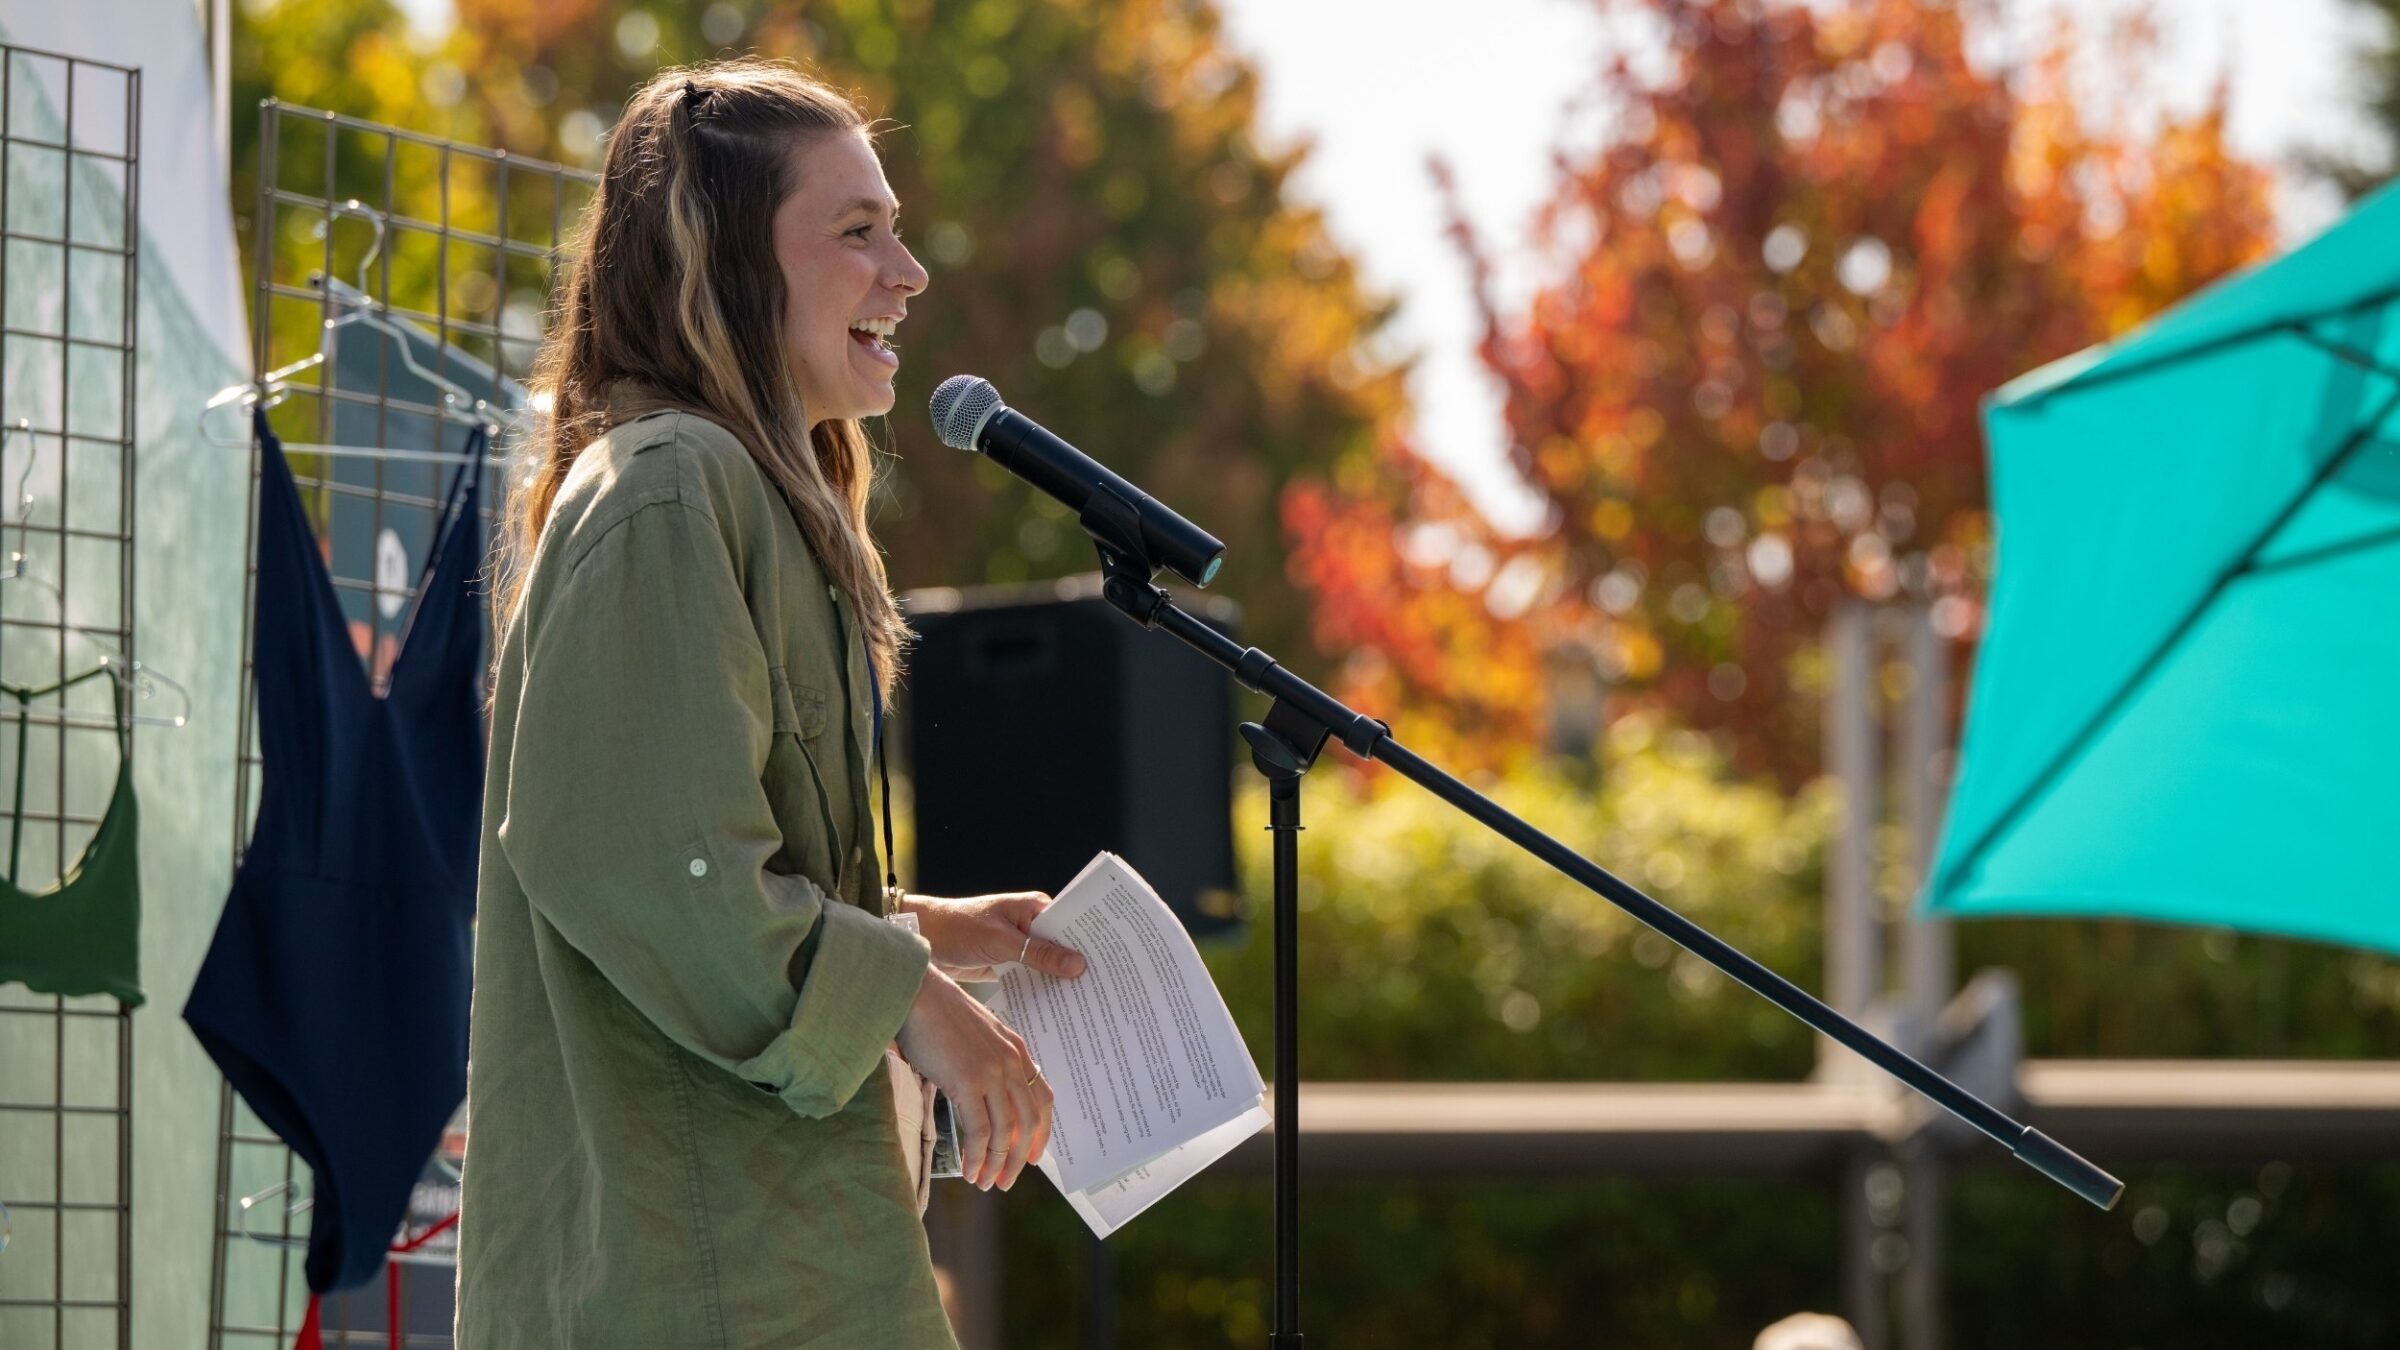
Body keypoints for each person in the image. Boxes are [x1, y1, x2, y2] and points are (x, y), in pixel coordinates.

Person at [455, 58, 1086, 1348]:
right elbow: (643, 865)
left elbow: (697, 862)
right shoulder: (669, 488)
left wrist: (924, 928)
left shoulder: (721, 488)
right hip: (705, 1290)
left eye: (896, 231)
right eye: (858, 233)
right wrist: (913, 994)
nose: (906, 274)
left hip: (762, 1272)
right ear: (725, 266)